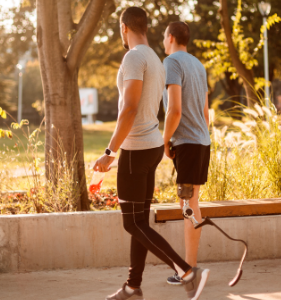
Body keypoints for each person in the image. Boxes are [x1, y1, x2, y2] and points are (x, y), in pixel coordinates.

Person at [93, 8, 209, 300]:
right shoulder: (157, 59)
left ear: (124, 28)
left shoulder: (134, 57)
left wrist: (110, 151)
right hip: (153, 145)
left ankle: (185, 270)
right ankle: (133, 286)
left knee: (131, 222)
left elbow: (129, 108)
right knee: (140, 221)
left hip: (135, 150)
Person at [161, 21, 211, 286]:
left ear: (170, 37)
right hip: (202, 142)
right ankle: (189, 266)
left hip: (188, 144)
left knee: (188, 206)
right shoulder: (198, 65)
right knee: (191, 205)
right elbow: (205, 111)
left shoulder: (171, 63)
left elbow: (175, 110)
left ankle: (188, 270)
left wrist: (165, 140)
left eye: (163, 37)